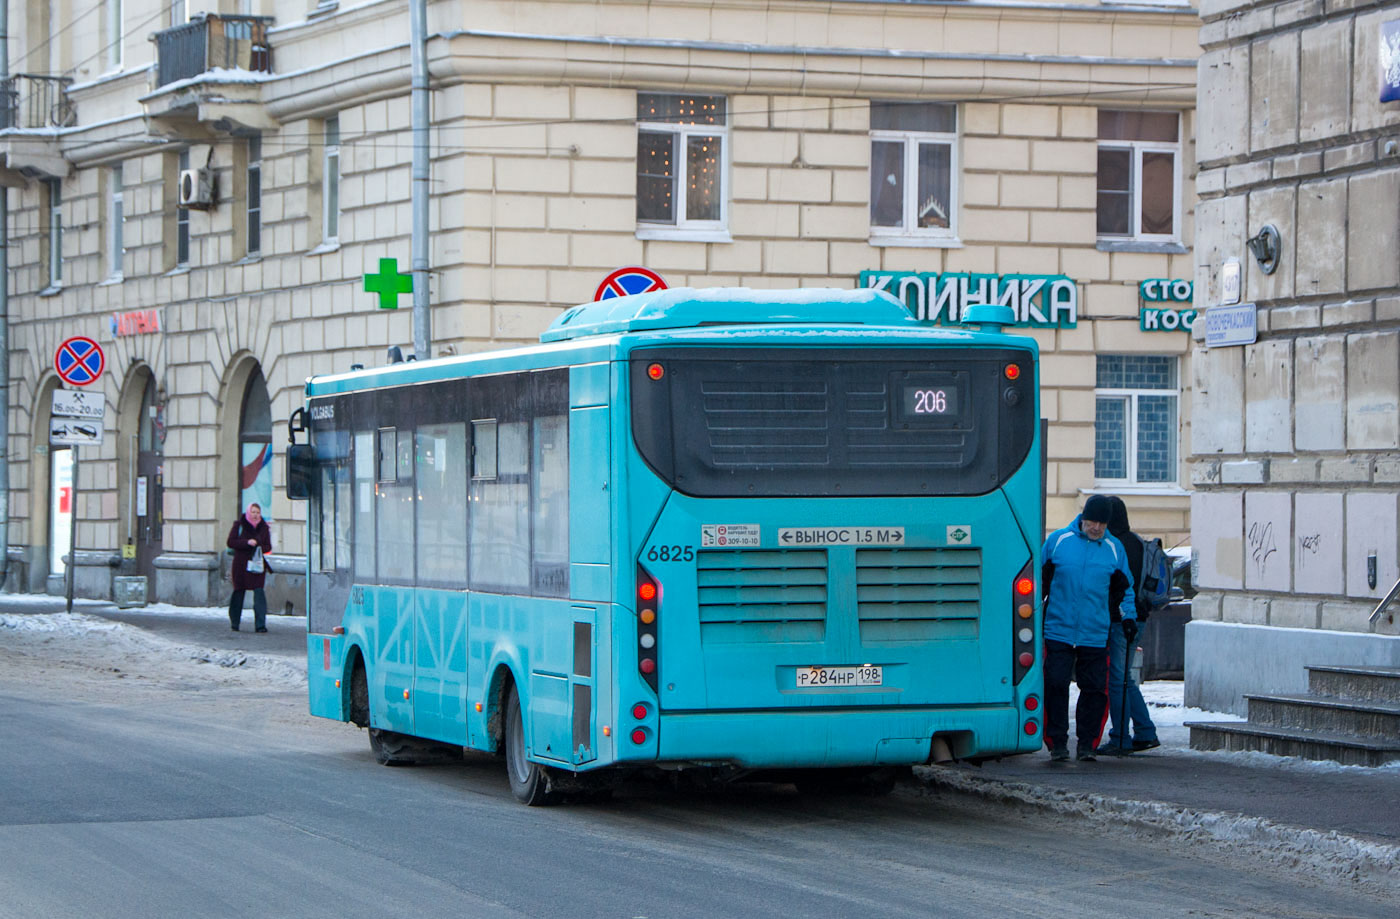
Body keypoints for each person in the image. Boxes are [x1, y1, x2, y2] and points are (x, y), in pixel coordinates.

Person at [1040, 495, 1137, 762]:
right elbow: (1038, 581)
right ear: (1083, 518)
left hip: (1095, 633)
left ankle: (1087, 744)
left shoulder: (1114, 549)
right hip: (1057, 630)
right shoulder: (1058, 542)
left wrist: (1128, 617)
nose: (1096, 528)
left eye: (1102, 524)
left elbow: (1125, 589)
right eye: (1093, 521)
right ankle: (1057, 742)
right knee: (1055, 685)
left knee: (1094, 690)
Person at [1096, 496, 1161, 756]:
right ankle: (1144, 732)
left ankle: (1121, 737)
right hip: (1139, 617)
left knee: (1119, 679)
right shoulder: (1135, 541)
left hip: (1121, 619)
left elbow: (1115, 586)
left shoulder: (1114, 545)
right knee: (1124, 679)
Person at [227, 502, 272, 633]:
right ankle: (235, 623)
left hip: (257, 564)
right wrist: (247, 543)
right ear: (248, 513)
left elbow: (268, 546)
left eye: (258, 512)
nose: (255, 515)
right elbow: (231, 542)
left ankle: (260, 625)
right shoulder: (239, 525)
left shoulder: (264, 527)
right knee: (239, 592)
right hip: (240, 565)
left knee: (259, 593)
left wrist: (258, 546)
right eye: (253, 512)